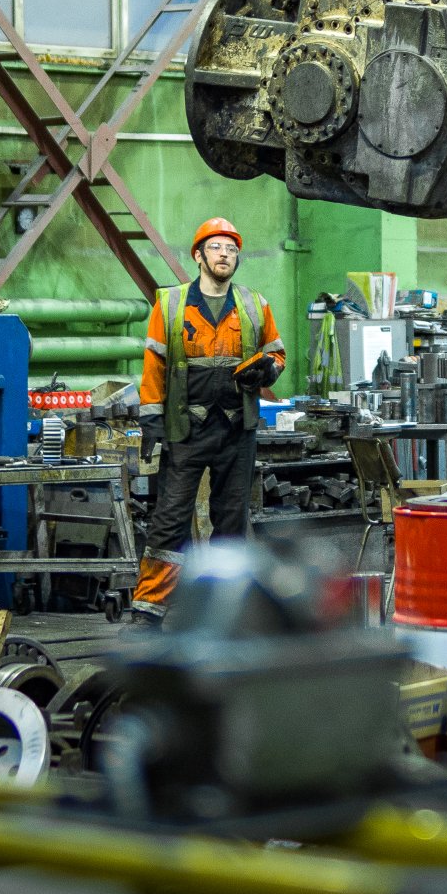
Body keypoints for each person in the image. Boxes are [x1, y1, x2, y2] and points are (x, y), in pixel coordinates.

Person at [131, 217, 284, 622]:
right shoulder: (170, 304)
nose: (225, 255)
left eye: (232, 249)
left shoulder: (254, 304)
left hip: (237, 429)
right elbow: (154, 366)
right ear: (198, 256)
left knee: (232, 523)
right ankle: (149, 610)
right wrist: (152, 422)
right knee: (169, 521)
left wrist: (268, 369)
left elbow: (276, 352)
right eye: (216, 247)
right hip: (186, 430)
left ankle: (222, 612)